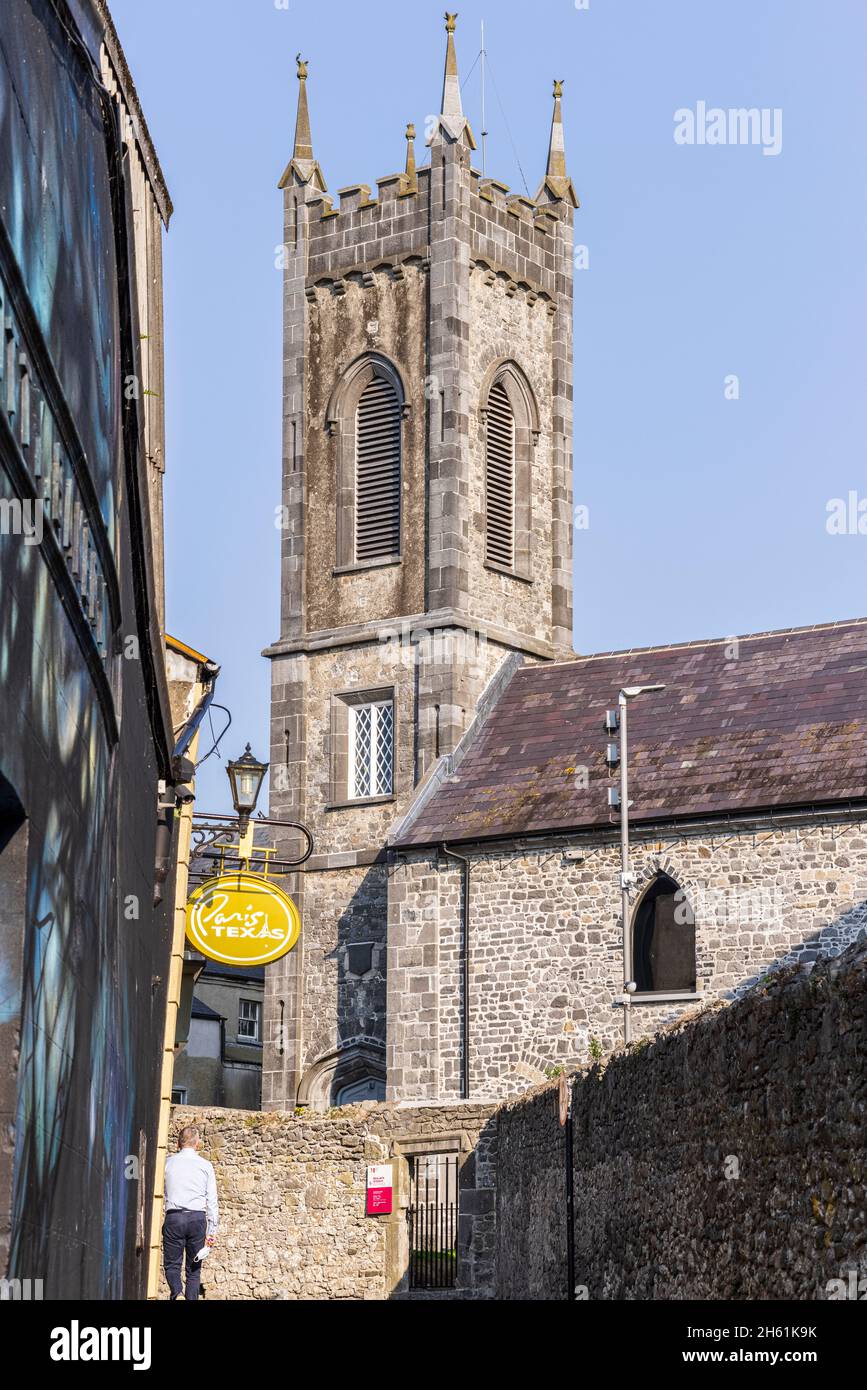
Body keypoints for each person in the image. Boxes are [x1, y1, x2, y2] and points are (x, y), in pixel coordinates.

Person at [162, 1124, 219, 1301]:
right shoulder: (205, 1166)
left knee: (172, 1264)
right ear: (197, 1144)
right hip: (197, 1218)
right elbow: (212, 1201)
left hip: (174, 1217)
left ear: (178, 1144)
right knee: (194, 1268)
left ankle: (177, 1292)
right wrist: (212, 1231)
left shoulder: (167, 1163)